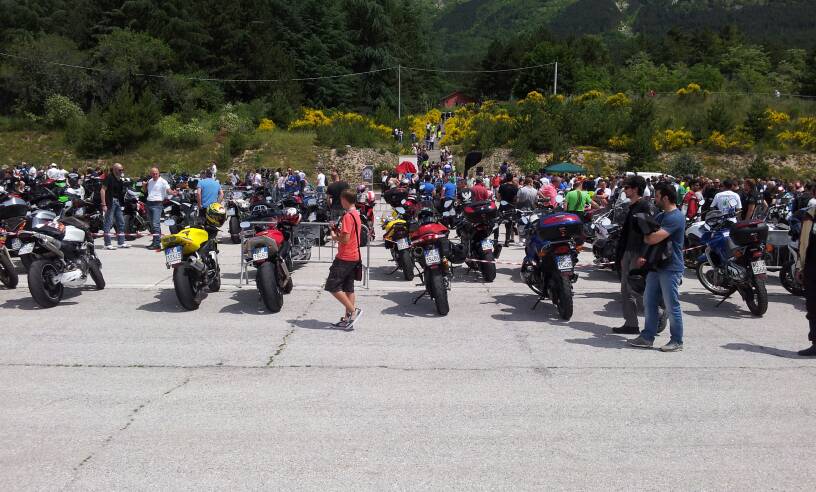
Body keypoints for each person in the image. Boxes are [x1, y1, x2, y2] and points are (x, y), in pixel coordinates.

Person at [629, 182, 686, 352]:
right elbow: (650, 238)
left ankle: (677, 341)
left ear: (666, 198)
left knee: (671, 305)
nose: (655, 198)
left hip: (671, 267)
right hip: (656, 265)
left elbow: (653, 238)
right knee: (649, 302)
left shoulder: (676, 217)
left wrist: (647, 237)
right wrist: (644, 255)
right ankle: (647, 337)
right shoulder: (661, 216)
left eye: (658, 196)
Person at [613, 176, 652, 335]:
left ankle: (659, 313)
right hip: (629, 252)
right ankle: (631, 324)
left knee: (634, 289)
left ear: (635, 189)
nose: (624, 190)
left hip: (637, 253)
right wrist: (623, 254)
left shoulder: (643, 206)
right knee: (626, 290)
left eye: (627, 187)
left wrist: (643, 254)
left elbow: (648, 233)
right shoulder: (633, 206)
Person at [325, 189, 363, 330]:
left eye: (341, 199)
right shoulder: (356, 214)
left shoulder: (347, 216)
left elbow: (345, 239)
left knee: (332, 286)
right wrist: (337, 230)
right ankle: (348, 320)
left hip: (345, 257)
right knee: (348, 288)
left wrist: (334, 236)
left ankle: (353, 311)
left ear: (344, 200)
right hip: (354, 255)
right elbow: (350, 235)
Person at [796, 205, 816, 356]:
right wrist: (800, 266)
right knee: (813, 306)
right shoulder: (810, 215)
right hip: (811, 266)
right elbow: (803, 243)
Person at [143, 166, 175, 250]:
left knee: (155, 224)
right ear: (151, 174)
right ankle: (157, 240)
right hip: (149, 203)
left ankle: (156, 244)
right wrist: (144, 186)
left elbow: (168, 190)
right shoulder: (150, 181)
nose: (155, 175)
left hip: (157, 204)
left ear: (159, 173)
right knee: (152, 224)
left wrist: (173, 192)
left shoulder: (163, 181)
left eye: (156, 173)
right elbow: (146, 191)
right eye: (153, 174)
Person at [100, 163, 130, 250]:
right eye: (120, 170)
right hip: (110, 202)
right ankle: (107, 244)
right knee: (108, 222)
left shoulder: (120, 179)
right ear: (114, 170)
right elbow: (102, 190)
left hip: (118, 202)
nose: (121, 171)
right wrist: (104, 204)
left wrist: (122, 204)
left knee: (121, 222)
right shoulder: (109, 177)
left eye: (122, 170)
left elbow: (121, 193)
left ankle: (121, 242)